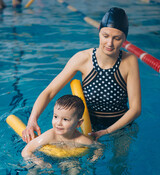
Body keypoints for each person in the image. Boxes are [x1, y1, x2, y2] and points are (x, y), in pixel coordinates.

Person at [22, 7, 141, 143]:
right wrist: (32, 120)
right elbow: (49, 91)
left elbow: (135, 109)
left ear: (125, 38)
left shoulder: (130, 61)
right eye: (105, 36)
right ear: (99, 32)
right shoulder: (83, 58)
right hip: (87, 126)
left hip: (121, 126)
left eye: (117, 38)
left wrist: (107, 131)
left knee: (119, 164)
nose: (110, 43)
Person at [21, 94, 93, 158]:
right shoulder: (50, 136)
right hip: (47, 158)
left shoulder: (81, 140)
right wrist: (39, 162)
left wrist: (94, 157)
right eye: (55, 117)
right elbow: (26, 151)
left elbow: (98, 147)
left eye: (65, 119)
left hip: (69, 159)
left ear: (78, 123)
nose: (58, 123)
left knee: (74, 168)